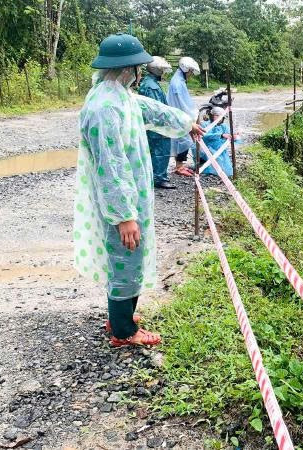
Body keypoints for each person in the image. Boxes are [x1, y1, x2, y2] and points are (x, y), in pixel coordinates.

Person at [74, 33, 204, 347]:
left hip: (132, 197)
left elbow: (151, 110)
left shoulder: (119, 96)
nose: (139, 73)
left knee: (129, 256)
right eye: (137, 68)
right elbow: (111, 166)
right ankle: (123, 332)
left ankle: (121, 317)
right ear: (126, 68)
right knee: (125, 257)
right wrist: (124, 216)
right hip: (121, 202)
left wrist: (186, 123)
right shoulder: (105, 108)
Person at [138, 56, 175, 189]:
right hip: (156, 126)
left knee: (154, 150)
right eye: (162, 70)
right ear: (157, 70)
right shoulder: (152, 86)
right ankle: (159, 178)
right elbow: (156, 109)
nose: (163, 73)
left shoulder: (148, 82)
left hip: (150, 125)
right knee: (160, 151)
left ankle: (155, 176)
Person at [167, 56, 202, 177]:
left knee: (181, 139)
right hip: (180, 114)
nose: (191, 74)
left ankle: (179, 165)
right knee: (184, 140)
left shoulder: (178, 80)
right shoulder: (178, 83)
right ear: (186, 69)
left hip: (178, 113)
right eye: (191, 71)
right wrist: (193, 116)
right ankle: (179, 166)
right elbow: (183, 103)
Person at [198, 106, 239, 177]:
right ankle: (203, 165)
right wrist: (221, 135)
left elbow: (229, 135)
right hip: (206, 148)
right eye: (216, 115)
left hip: (220, 150)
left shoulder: (224, 126)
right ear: (211, 116)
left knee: (226, 169)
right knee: (215, 162)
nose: (219, 118)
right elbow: (205, 135)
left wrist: (234, 136)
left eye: (220, 116)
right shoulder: (204, 124)